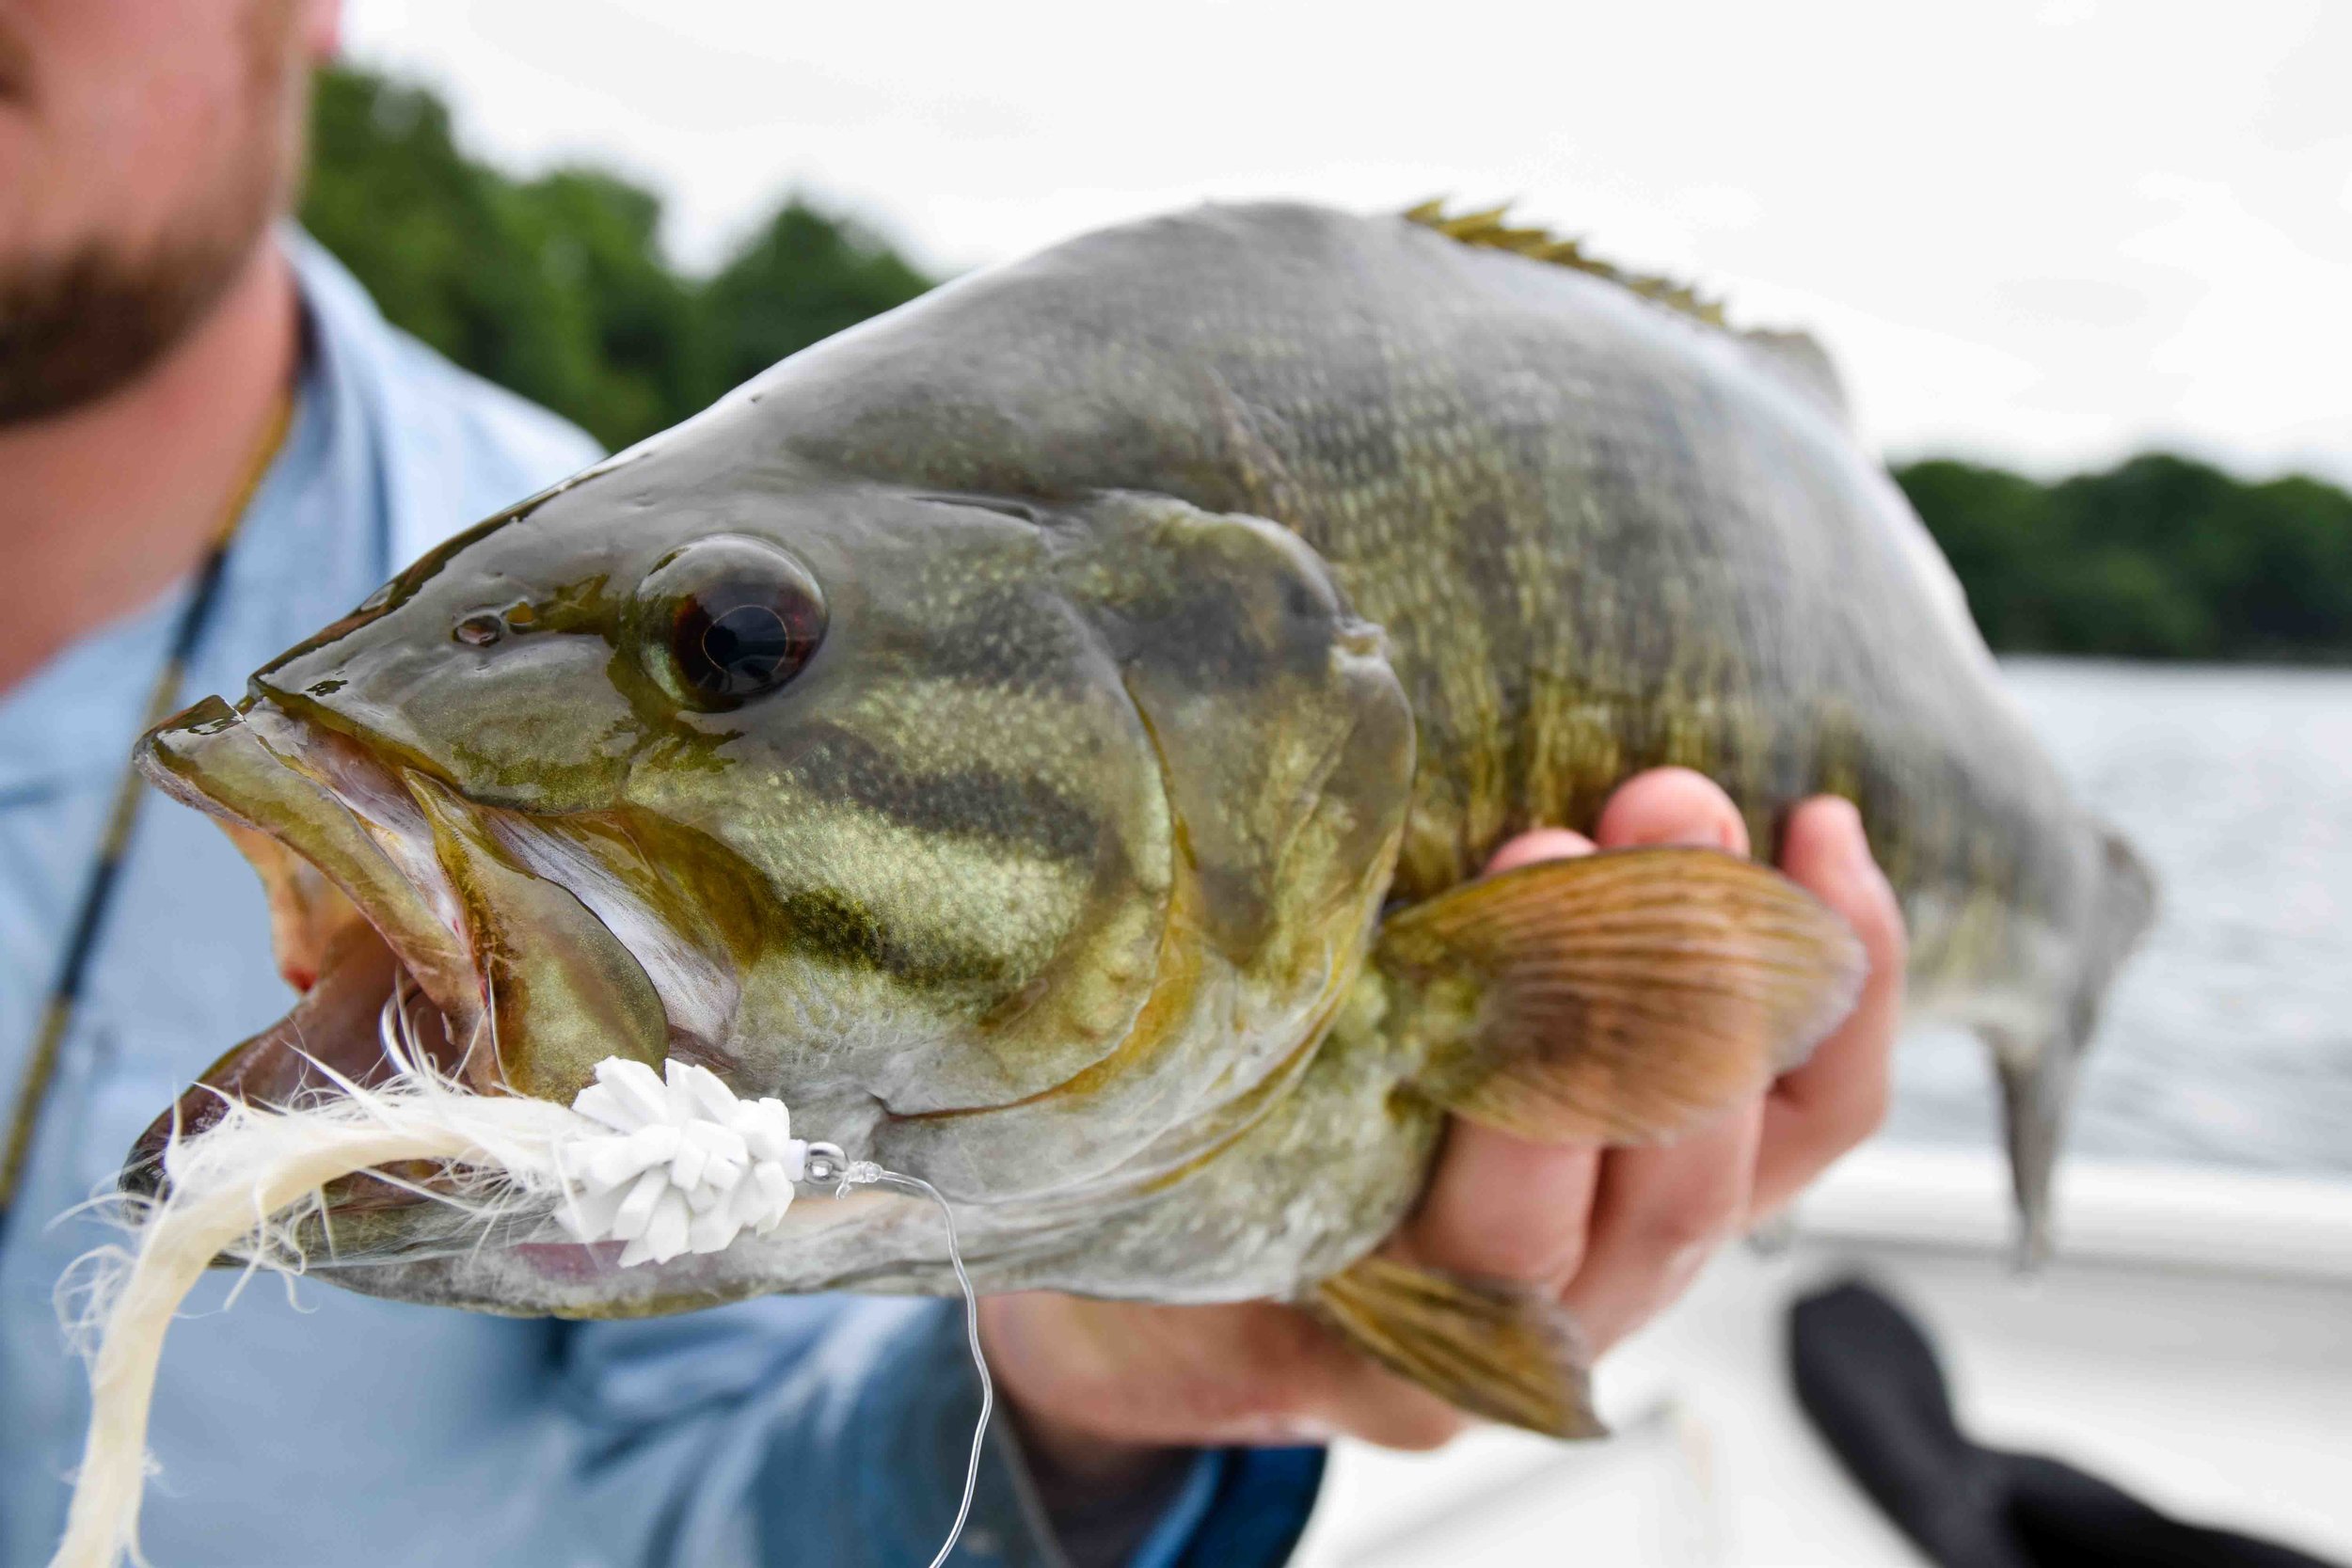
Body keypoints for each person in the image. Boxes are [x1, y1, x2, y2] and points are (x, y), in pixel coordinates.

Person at [0, 3, 1907, 1563]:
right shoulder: (468, 663)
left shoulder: (506, 572)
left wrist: (1087, 1408)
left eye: (734, 655)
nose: (708, 669)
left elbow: (716, 1504)